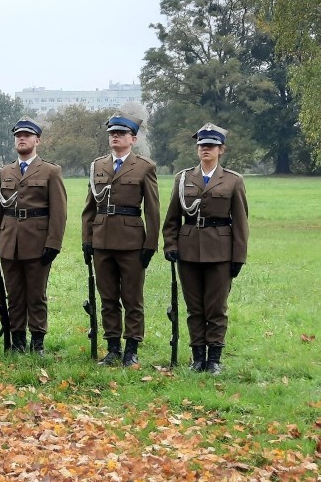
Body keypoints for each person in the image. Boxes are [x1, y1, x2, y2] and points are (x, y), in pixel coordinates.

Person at [162, 123, 249, 374]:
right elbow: (172, 218)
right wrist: (170, 244)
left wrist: (238, 257)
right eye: (201, 146)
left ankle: (214, 359)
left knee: (216, 307)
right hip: (188, 250)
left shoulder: (233, 181)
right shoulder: (184, 178)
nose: (205, 150)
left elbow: (241, 222)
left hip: (220, 252)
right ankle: (197, 356)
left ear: (221, 149)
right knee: (194, 307)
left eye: (210, 146)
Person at [82, 114, 159, 366]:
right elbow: (89, 208)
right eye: (112, 133)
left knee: (132, 298)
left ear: (133, 139)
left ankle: (131, 349)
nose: (115, 136)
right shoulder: (98, 166)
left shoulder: (144, 167)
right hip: (102, 240)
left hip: (131, 241)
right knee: (108, 298)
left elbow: (153, 210)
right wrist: (87, 239)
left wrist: (150, 244)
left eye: (121, 133)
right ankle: (113, 347)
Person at [0, 117, 67, 354]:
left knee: (36, 294)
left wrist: (53, 244)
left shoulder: (51, 171)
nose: (21, 139)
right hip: (9, 241)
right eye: (18, 136)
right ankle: (18, 340)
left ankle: (37, 341)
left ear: (37, 140)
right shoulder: (4, 172)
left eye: (27, 135)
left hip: (37, 241)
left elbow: (59, 211)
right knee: (14, 294)